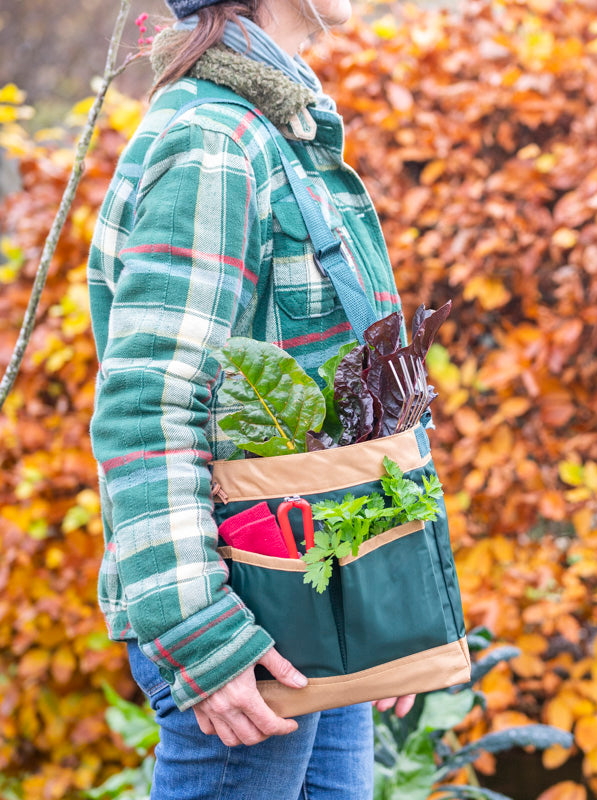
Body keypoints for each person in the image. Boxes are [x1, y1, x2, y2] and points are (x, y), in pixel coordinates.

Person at [87, 0, 414, 796]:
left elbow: (355, 394)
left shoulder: (279, 132)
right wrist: (200, 632)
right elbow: (147, 405)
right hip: (246, 613)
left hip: (316, 592)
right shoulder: (213, 144)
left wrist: (394, 586)